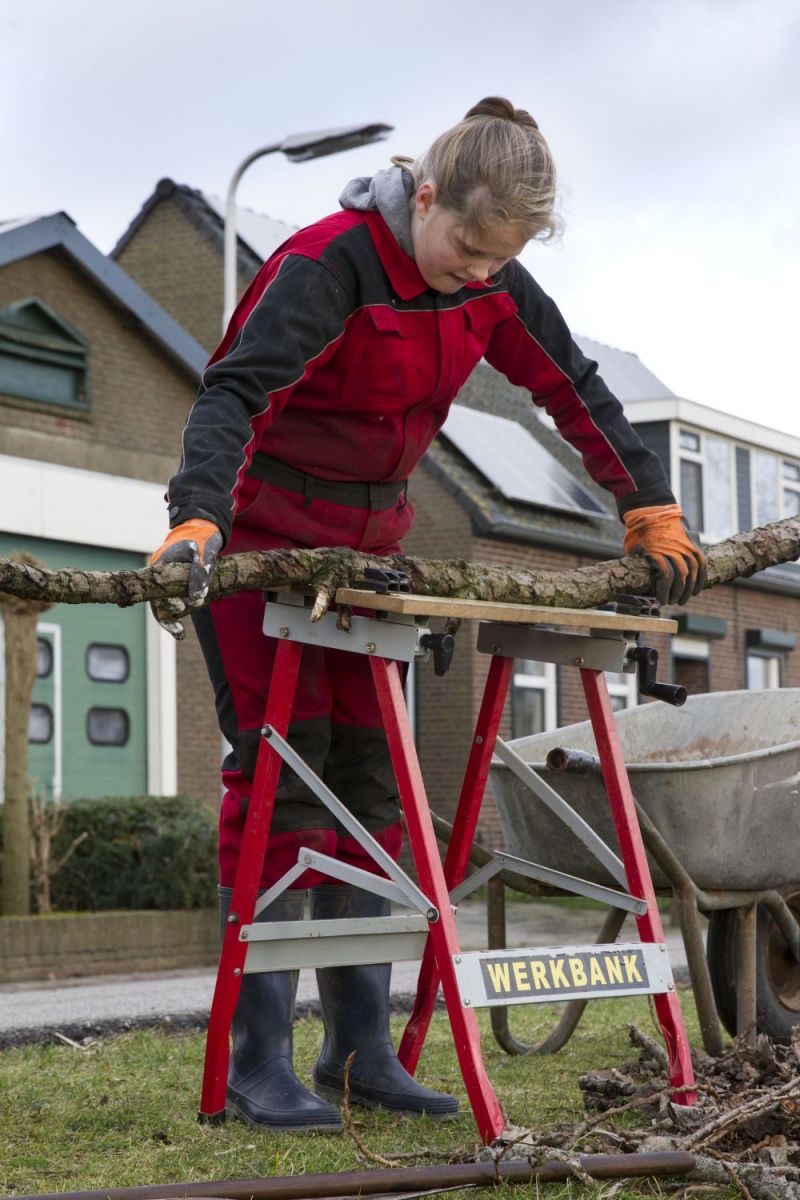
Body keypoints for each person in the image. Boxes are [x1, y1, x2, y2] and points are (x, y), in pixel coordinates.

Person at [150, 97, 705, 1133]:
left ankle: (358, 1053)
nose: (477, 275)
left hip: (372, 559)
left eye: (500, 260)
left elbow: (570, 385)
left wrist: (647, 501)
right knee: (282, 780)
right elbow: (233, 395)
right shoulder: (329, 266)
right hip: (264, 550)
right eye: (466, 248)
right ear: (427, 192)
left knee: (369, 788)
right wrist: (196, 521)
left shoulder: (487, 282)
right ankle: (253, 1059)